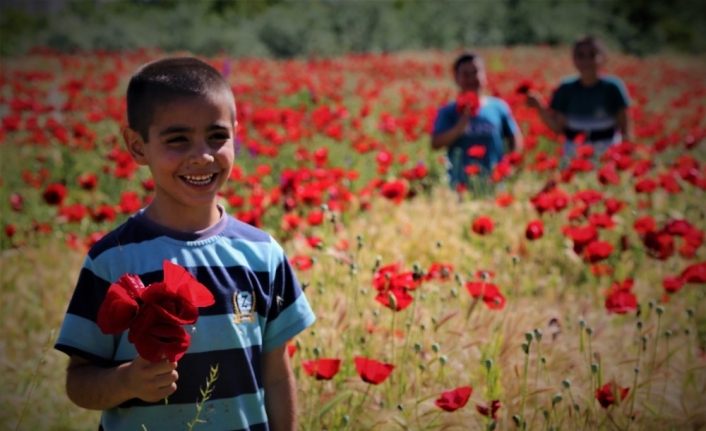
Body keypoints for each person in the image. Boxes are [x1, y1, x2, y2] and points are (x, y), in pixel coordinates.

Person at [55, 57, 316, 431]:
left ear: (236, 135)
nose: (203, 155)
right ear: (137, 146)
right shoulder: (112, 260)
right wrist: (126, 382)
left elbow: (275, 376)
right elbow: (78, 381)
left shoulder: (262, 255)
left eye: (217, 136)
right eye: (178, 139)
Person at [526, 35, 630, 162]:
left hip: (607, 151)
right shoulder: (566, 89)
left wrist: (625, 155)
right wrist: (539, 106)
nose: (586, 60)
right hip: (573, 152)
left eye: (592, 55)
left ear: (602, 58)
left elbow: (624, 128)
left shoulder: (612, 88)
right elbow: (558, 128)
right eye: (580, 55)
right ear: (574, 59)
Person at [431, 51, 523, 190]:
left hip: (495, 181)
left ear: (484, 75)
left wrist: (510, 164)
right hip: (460, 184)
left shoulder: (498, 107)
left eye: (476, 72)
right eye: (466, 74)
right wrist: (459, 127)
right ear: (456, 78)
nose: (472, 78)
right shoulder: (448, 111)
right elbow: (436, 143)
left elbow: (515, 138)